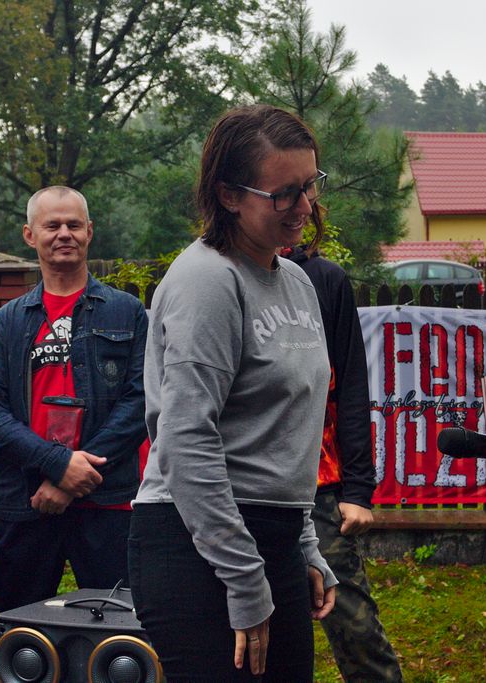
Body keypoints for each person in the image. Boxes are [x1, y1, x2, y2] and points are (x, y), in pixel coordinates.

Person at [129, 104, 337, 682]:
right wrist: (244, 578)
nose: (304, 206)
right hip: (196, 544)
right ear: (228, 195)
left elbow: (283, 436)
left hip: (271, 539)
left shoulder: (296, 282)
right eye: (284, 193)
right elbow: (185, 438)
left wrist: (303, 544)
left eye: (310, 185)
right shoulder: (207, 280)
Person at [0, 186, 147, 676]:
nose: (64, 234)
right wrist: (55, 465)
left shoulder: (126, 311)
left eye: (73, 224)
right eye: (52, 225)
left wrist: (75, 475)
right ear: (30, 236)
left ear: (90, 232)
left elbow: (141, 402)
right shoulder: (9, 321)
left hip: (106, 500)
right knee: (17, 641)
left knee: (123, 641)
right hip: (26, 500)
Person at [285, 245, 403, 681]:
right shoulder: (221, 273)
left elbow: (350, 386)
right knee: (257, 630)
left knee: (356, 628)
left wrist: (357, 490)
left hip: (320, 487)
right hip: (243, 489)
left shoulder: (325, 279)